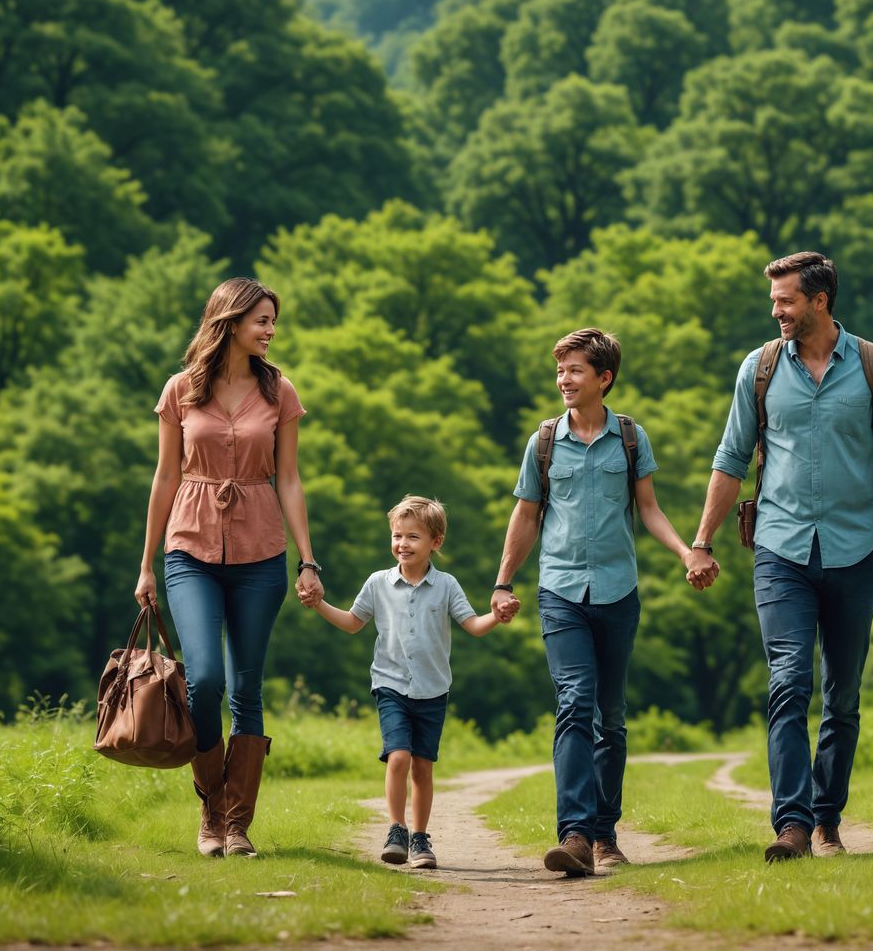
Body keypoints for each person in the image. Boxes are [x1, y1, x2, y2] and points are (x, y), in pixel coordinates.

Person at [690, 252, 873, 863]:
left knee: (842, 694)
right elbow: (730, 457)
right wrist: (702, 540)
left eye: (786, 301)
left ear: (819, 301)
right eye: (775, 301)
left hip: (856, 550)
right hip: (780, 548)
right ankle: (792, 824)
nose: (776, 311)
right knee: (789, 680)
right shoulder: (761, 368)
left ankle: (828, 817)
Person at [492, 328, 717, 878]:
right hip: (560, 591)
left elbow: (649, 509)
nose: (563, 380)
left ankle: (605, 833)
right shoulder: (543, 443)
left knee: (610, 719)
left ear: (604, 378)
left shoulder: (632, 439)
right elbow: (526, 516)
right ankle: (573, 834)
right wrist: (503, 582)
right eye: (561, 371)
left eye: (574, 371)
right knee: (575, 701)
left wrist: (689, 552)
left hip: (618, 592)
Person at [135, 277, 321, 859]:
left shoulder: (280, 392)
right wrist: (145, 567)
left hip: (261, 552)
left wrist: (308, 559)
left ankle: (235, 825)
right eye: (262, 320)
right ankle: (210, 809)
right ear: (231, 320)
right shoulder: (181, 390)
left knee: (245, 687)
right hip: (188, 548)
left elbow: (288, 478)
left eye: (273, 322)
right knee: (205, 678)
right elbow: (165, 477)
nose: (270, 331)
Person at [299, 495, 503, 870]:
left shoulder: (447, 586)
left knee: (423, 767)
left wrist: (495, 616)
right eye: (397, 536)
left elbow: (472, 626)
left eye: (413, 537)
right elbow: (352, 622)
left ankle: (421, 837)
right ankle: (396, 828)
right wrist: (318, 605)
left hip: (433, 690)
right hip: (390, 684)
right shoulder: (378, 583)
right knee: (399, 757)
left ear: (435, 542)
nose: (402, 544)